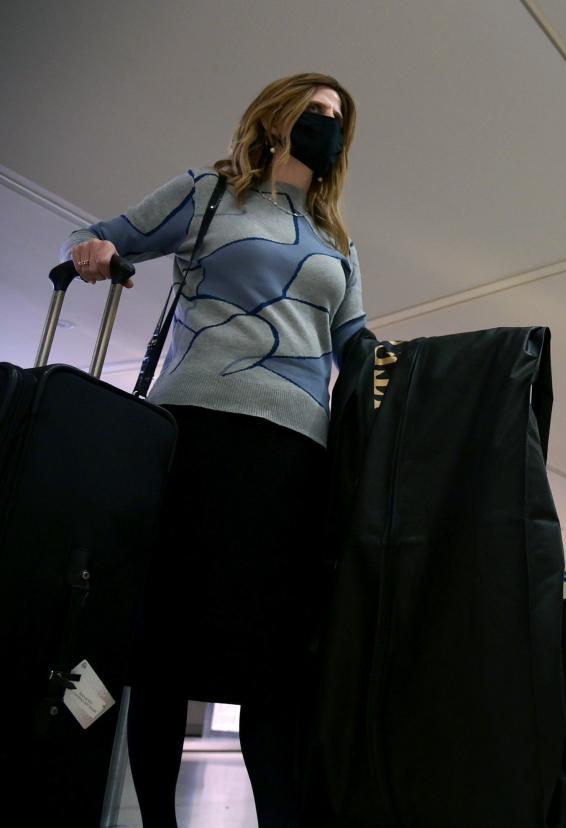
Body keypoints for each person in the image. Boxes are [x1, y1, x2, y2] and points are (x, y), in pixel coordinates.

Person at [63, 73, 365, 827]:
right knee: (162, 652)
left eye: (337, 120)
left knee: (273, 664)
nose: (326, 126)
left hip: (296, 454)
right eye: (315, 112)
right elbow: (95, 234)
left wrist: (409, 370)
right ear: (277, 117)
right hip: (194, 434)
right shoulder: (209, 193)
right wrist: (95, 252)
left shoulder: (336, 238)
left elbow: (356, 344)